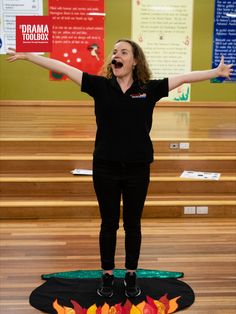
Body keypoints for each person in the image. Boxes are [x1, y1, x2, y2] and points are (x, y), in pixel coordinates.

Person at [6, 39, 233, 298]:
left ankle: (131, 274)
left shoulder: (148, 88)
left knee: (133, 224)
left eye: (123, 52)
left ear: (135, 61)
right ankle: (107, 274)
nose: (117, 55)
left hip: (138, 168)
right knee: (109, 224)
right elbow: (63, 66)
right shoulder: (100, 86)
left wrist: (215, 73)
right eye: (114, 52)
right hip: (105, 168)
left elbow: (183, 78)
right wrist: (28, 55)